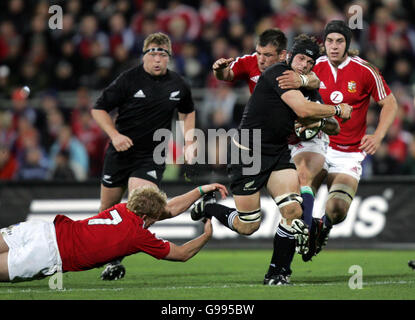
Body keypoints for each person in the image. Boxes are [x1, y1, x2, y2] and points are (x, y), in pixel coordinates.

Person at [191, 32, 352, 285]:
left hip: (277, 151)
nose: (304, 65)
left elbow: (334, 128)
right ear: (289, 57)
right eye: (300, 59)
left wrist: (323, 118)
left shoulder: (305, 84)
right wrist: (338, 109)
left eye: (310, 63)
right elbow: (303, 110)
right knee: (248, 225)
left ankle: (278, 273)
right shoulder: (279, 72)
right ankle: (209, 207)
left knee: (293, 210)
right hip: (248, 151)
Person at [91, 32, 196, 280]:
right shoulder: (128, 80)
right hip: (120, 152)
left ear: (169, 57)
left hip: (151, 155)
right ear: (144, 56)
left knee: (141, 206)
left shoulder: (178, 85)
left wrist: (189, 141)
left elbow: (187, 112)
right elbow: (99, 109)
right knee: (107, 209)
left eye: (163, 53)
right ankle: (101, 253)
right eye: (153, 53)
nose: (157, 58)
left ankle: (116, 259)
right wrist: (114, 134)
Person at [0, 183, 228, 283]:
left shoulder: (123, 207)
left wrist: (200, 190)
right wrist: (205, 236)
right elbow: (182, 253)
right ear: (148, 218)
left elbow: (167, 209)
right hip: (47, 254)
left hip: (41, 229)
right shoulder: (138, 236)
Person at [304, 20, 398, 261]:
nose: (334, 46)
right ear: (323, 44)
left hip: (349, 153)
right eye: (330, 41)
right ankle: (299, 238)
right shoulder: (313, 68)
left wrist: (378, 136)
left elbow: (390, 102)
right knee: (300, 197)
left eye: (340, 41)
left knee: (337, 210)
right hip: (318, 146)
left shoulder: (365, 70)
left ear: (347, 44)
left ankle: (323, 226)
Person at [212, 28, 320, 94]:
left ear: (282, 55)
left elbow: (315, 81)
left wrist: (301, 80)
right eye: (259, 53)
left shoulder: (293, 64)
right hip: (260, 121)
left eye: (268, 55)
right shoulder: (249, 61)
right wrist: (219, 70)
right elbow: (226, 76)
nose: (261, 60)